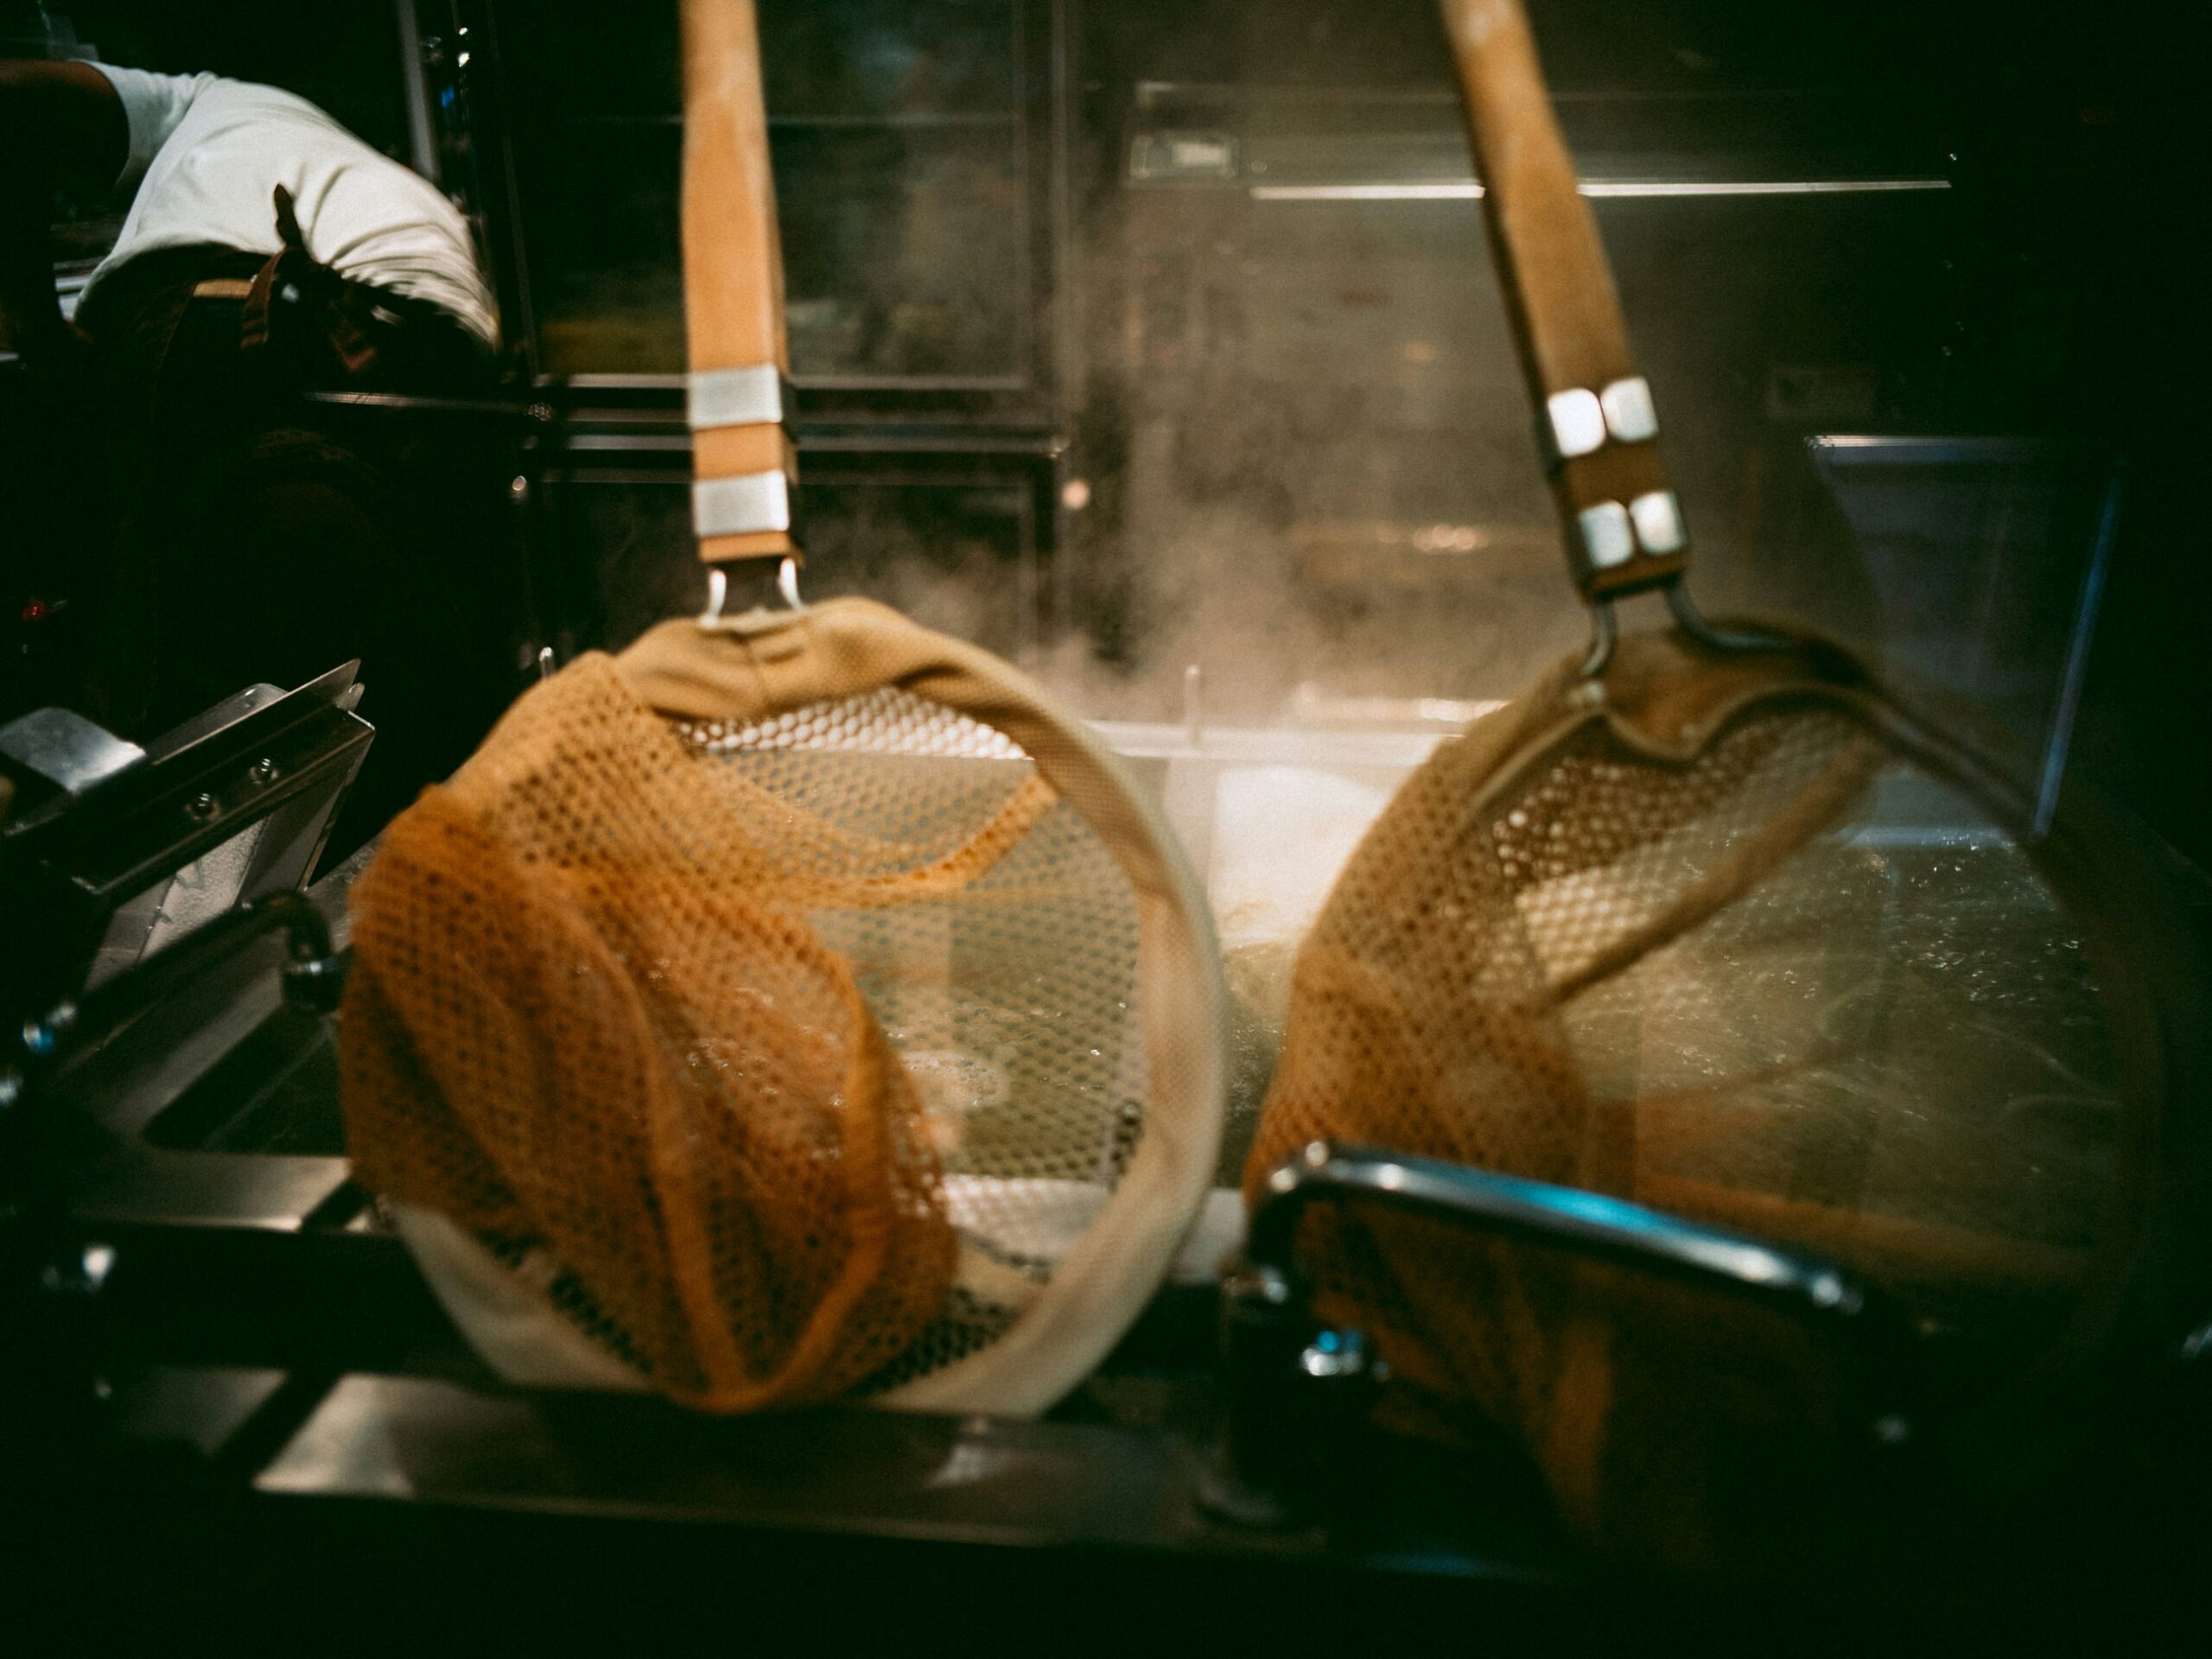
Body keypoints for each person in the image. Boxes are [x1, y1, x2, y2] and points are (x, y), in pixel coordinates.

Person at [0, 55, 519, 859]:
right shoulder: (385, 184)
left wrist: (30, 317)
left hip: (239, 316)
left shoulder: (207, 103)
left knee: (151, 686)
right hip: (436, 384)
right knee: (421, 700)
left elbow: (14, 93)